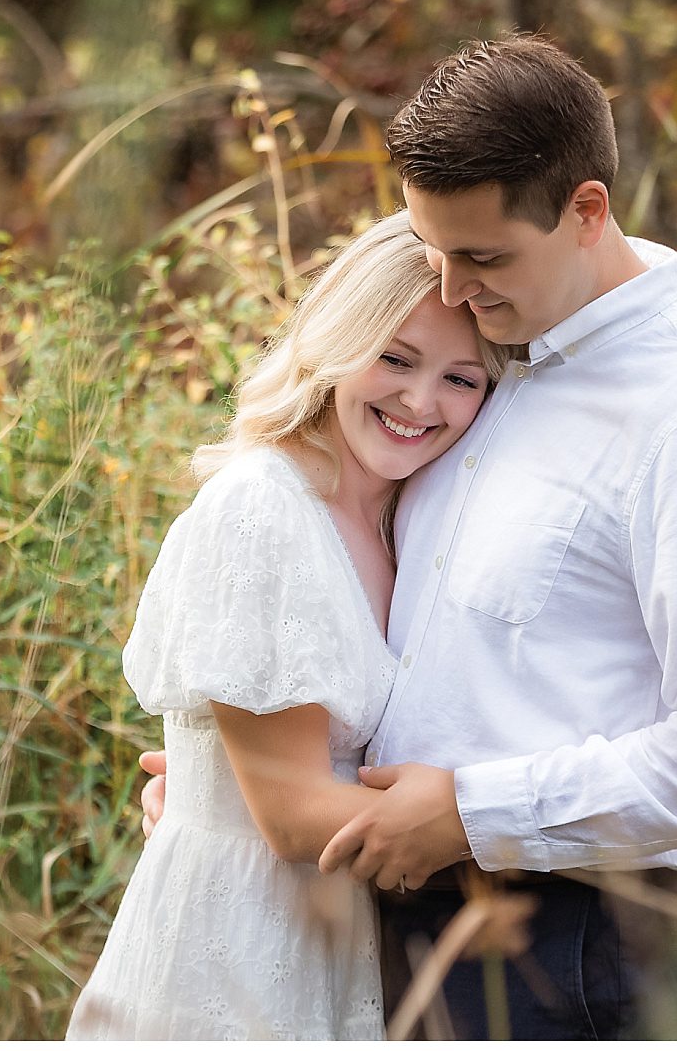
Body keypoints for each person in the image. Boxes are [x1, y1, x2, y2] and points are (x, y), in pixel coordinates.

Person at [139, 35, 677, 1039]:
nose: (453, 290)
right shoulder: (486, 360)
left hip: (573, 948)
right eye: (433, 254)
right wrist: (234, 801)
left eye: (483, 256)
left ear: (585, 212)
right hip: (391, 925)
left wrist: (469, 813)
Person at [67, 211, 516, 1040]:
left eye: (463, 378)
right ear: (337, 345)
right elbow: (287, 815)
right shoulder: (261, 509)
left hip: (333, 938)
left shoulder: (405, 521)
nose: (422, 402)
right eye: (395, 359)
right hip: (232, 944)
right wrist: (526, 824)